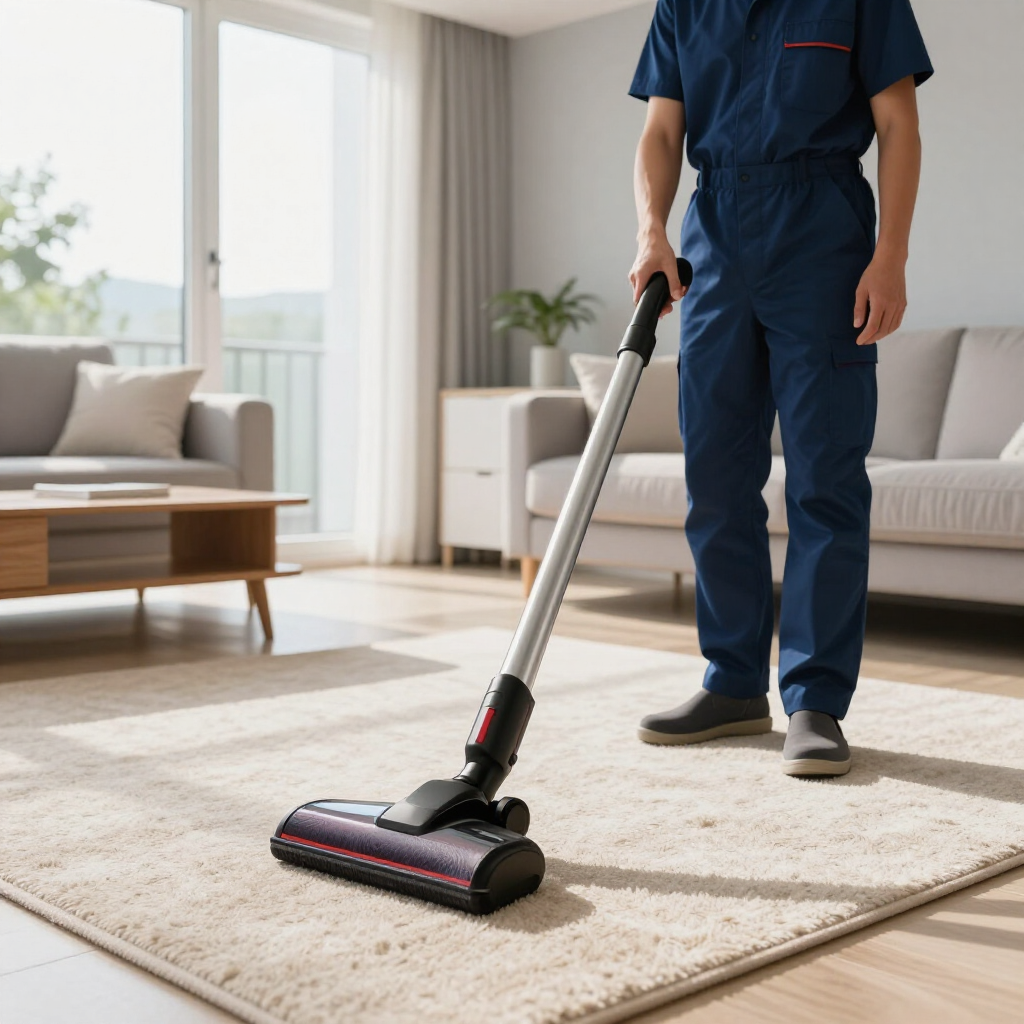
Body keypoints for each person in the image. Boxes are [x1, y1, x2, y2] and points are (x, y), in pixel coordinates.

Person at [628, 0, 932, 776]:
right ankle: (732, 682)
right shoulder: (684, 7)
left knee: (825, 477)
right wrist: (651, 230)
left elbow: (898, 123)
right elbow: (664, 132)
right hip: (716, 233)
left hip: (822, 231)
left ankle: (816, 700)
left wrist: (890, 255)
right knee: (716, 473)